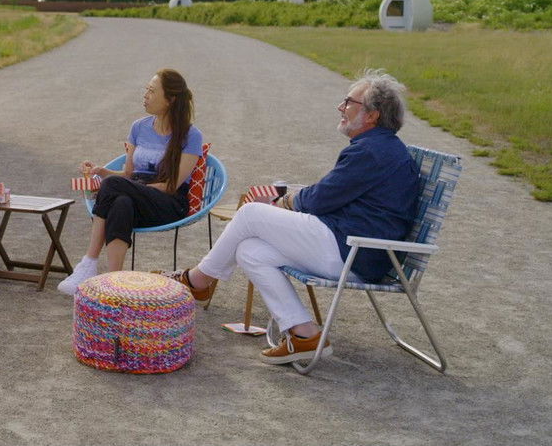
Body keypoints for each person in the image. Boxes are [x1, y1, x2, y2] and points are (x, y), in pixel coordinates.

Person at [163, 69, 419, 366]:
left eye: (349, 102)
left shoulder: (371, 152)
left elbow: (320, 199)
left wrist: (284, 201)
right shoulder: (379, 148)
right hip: (357, 249)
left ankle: (197, 281)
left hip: (352, 251)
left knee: (251, 214)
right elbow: (329, 195)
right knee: (250, 251)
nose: (341, 107)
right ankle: (304, 334)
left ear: (372, 115)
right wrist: (293, 200)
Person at [57, 68, 202, 295]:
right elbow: (127, 174)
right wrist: (102, 171)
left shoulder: (191, 136)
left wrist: (130, 186)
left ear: (170, 99)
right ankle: (114, 284)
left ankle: (88, 263)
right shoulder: (139, 127)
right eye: (146, 90)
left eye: (152, 91)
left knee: (116, 188)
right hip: (135, 192)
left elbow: (171, 186)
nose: (145, 95)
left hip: (168, 201)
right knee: (121, 202)